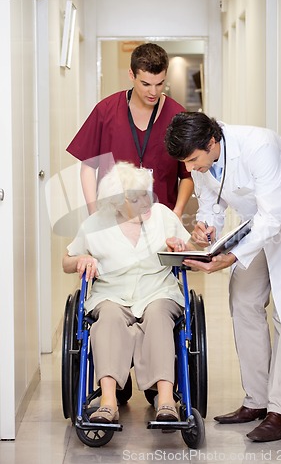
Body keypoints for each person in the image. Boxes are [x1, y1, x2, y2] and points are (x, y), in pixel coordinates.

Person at [164, 112, 281, 443]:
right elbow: (212, 210)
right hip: (256, 225)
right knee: (242, 300)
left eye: (194, 160)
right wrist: (205, 230)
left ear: (212, 142)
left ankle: (279, 411)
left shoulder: (259, 145)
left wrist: (230, 257)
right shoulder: (199, 160)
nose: (191, 168)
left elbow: (275, 216)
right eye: (186, 163)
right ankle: (256, 401)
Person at [62, 162, 195, 424]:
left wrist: (179, 247)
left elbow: (191, 253)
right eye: (136, 198)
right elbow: (66, 261)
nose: (146, 201)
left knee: (158, 315)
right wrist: (82, 259)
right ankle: (108, 402)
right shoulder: (95, 224)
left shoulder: (163, 216)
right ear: (115, 203)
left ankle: (166, 400)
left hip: (157, 290)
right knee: (109, 317)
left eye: (146, 193)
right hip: (112, 293)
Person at [66, 42, 193, 216]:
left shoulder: (177, 115)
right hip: (113, 219)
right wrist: (94, 213)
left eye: (159, 84)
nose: (153, 92)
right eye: (146, 84)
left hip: (160, 220)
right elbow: (88, 166)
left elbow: (187, 175)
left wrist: (177, 213)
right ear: (131, 75)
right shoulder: (106, 110)